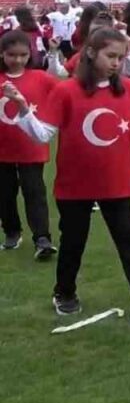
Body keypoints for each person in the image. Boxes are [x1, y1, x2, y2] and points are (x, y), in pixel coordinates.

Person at [6, 25, 130, 322]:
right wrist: (23, 108)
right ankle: (64, 292)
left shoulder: (127, 88)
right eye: (110, 55)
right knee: (74, 241)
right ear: (90, 53)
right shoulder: (66, 91)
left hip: (118, 183)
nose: (116, 62)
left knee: (129, 241)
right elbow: (42, 134)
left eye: (120, 56)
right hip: (75, 186)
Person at [0, 30, 63, 258]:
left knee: (34, 192)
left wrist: (55, 53)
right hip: (2, 150)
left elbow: (64, 90)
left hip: (31, 148)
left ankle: (42, 238)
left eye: (23, 55)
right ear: (2, 54)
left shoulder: (40, 77)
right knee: (5, 193)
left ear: (30, 54)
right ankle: (11, 231)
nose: (17, 60)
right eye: (11, 55)